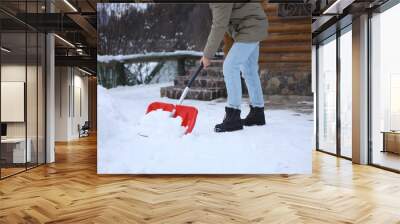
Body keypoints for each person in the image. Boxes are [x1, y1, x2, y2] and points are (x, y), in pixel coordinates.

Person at [200, 3, 269, 133]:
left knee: (230, 66)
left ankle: (233, 116)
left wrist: (207, 55)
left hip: (250, 27)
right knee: (249, 70)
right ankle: (257, 113)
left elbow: (219, 25)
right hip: (254, 25)